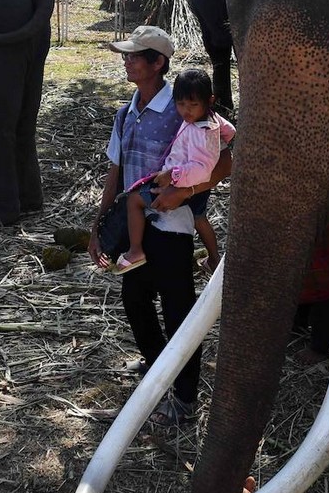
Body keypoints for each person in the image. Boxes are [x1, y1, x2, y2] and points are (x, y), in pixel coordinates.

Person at [88, 26, 231, 427]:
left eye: (136, 55)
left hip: (173, 228)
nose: (126, 60)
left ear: (158, 63)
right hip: (137, 228)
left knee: (178, 311)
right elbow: (116, 171)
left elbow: (228, 159)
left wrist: (185, 194)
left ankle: (184, 401)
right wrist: (98, 225)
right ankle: (157, 368)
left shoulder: (187, 108)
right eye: (127, 55)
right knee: (134, 301)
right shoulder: (125, 112)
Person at [116, 68, 235, 274]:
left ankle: (135, 251)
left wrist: (173, 175)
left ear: (210, 100)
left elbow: (202, 170)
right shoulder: (209, 119)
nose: (186, 111)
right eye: (180, 104)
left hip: (183, 183)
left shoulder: (201, 131)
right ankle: (214, 258)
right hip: (190, 184)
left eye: (193, 105)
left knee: (133, 200)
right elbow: (230, 130)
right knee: (199, 218)